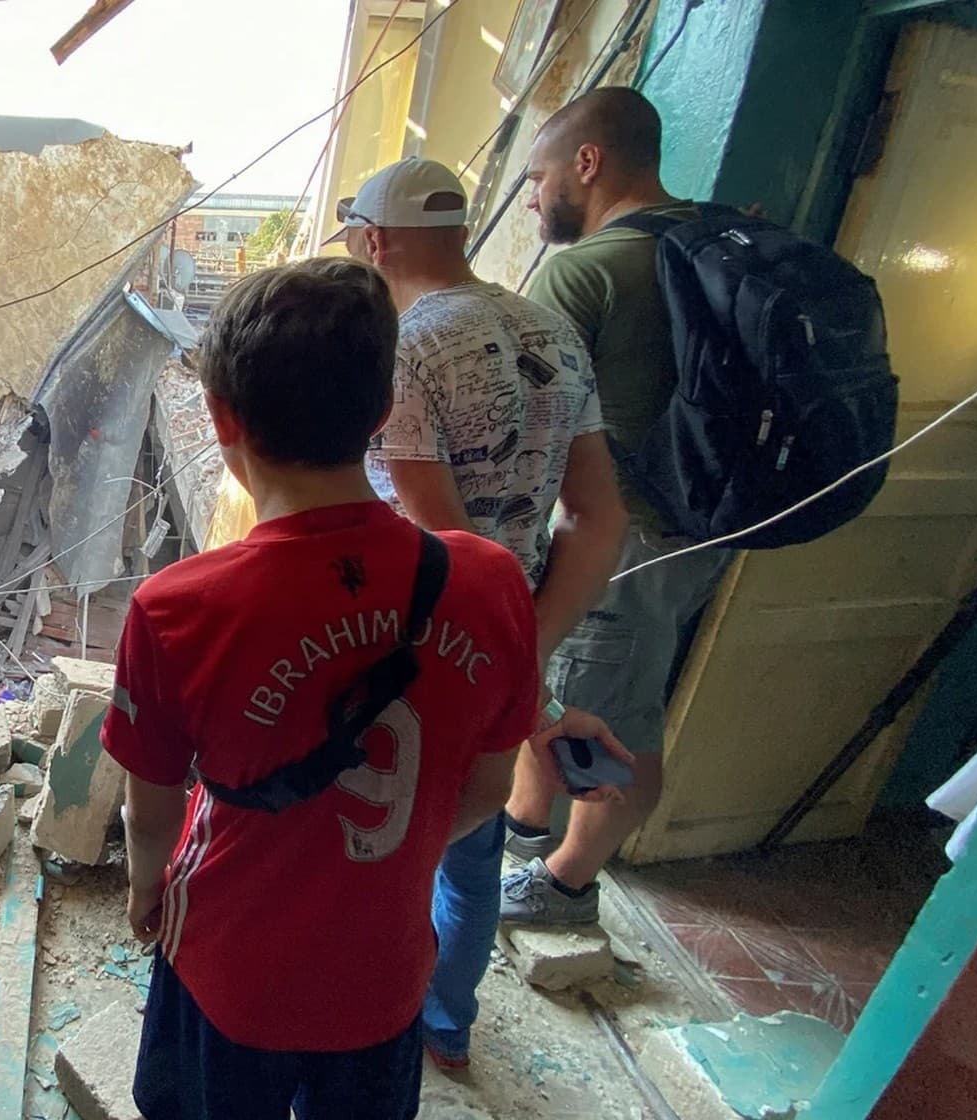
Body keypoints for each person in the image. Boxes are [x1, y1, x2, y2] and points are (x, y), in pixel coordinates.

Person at [102, 256, 609, 1120]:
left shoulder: (177, 608)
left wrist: (148, 886)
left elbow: (149, 810)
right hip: (383, 979)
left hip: (228, 971)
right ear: (380, 415)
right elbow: (487, 788)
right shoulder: (487, 583)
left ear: (222, 417)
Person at [330, 157, 632, 1069]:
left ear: (375, 241)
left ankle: (354, 1015)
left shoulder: (404, 346)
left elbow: (442, 544)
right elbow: (598, 516)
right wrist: (525, 651)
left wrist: (498, 659)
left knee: (373, 837)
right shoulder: (555, 332)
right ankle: (446, 1024)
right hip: (504, 636)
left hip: (403, 642)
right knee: (474, 843)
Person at [503, 87, 738, 924]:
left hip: (621, 534)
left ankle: (564, 885)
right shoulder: (712, 239)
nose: (532, 196)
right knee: (582, 689)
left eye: (538, 176)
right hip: (697, 527)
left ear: (589, 164)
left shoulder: (586, 269)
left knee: (604, 717)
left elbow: (530, 424)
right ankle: (527, 838)